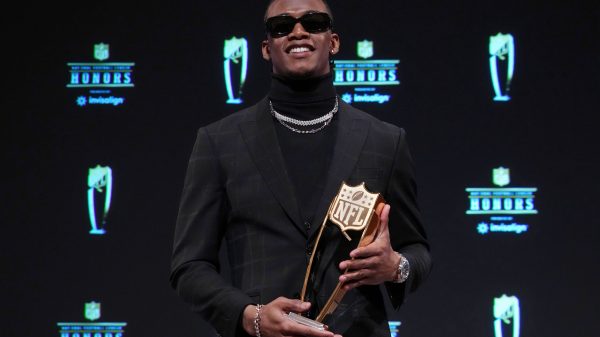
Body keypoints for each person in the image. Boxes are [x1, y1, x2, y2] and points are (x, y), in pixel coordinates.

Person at [170, 0, 432, 336]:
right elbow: (189, 266)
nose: (298, 32)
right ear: (266, 48)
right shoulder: (219, 142)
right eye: (282, 26)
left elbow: (417, 250)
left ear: (333, 41)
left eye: (313, 22)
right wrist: (251, 316)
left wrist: (397, 267)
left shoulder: (384, 140)